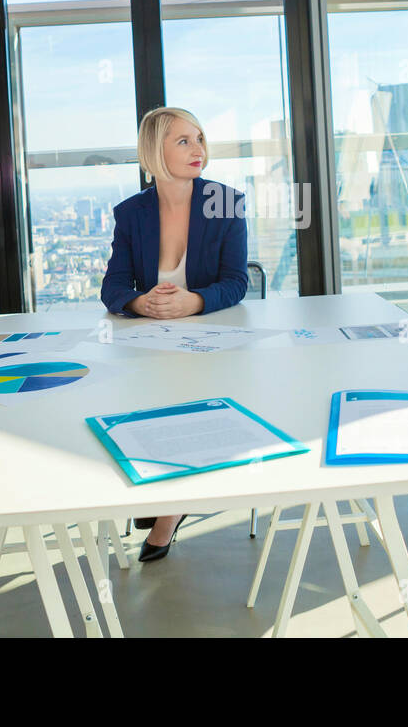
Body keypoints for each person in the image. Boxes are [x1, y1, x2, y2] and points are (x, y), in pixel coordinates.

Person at [101, 106, 249, 561]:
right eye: (183, 141)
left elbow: (237, 281)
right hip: (150, 343)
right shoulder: (131, 213)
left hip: (212, 341)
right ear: (154, 151)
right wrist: (138, 302)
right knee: (140, 402)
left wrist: (195, 300)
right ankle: (164, 489)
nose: (197, 149)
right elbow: (113, 286)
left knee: (190, 407)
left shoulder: (225, 199)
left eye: (199, 139)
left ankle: (168, 511)